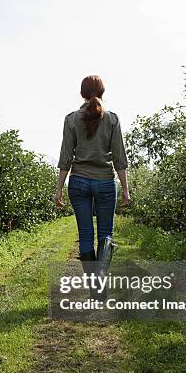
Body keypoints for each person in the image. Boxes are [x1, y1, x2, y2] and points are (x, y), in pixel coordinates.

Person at [54, 75, 130, 298]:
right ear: (103, 93)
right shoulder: (113, 119)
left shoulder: (70, 119)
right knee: (106, 234)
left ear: (81, 94)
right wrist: (125, 189)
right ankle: (100, 285)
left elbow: (65, 157)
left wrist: (59, 189)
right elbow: (119, 158)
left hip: (78, 182)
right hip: (106, 182)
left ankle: (94, 289)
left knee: (86, 235)